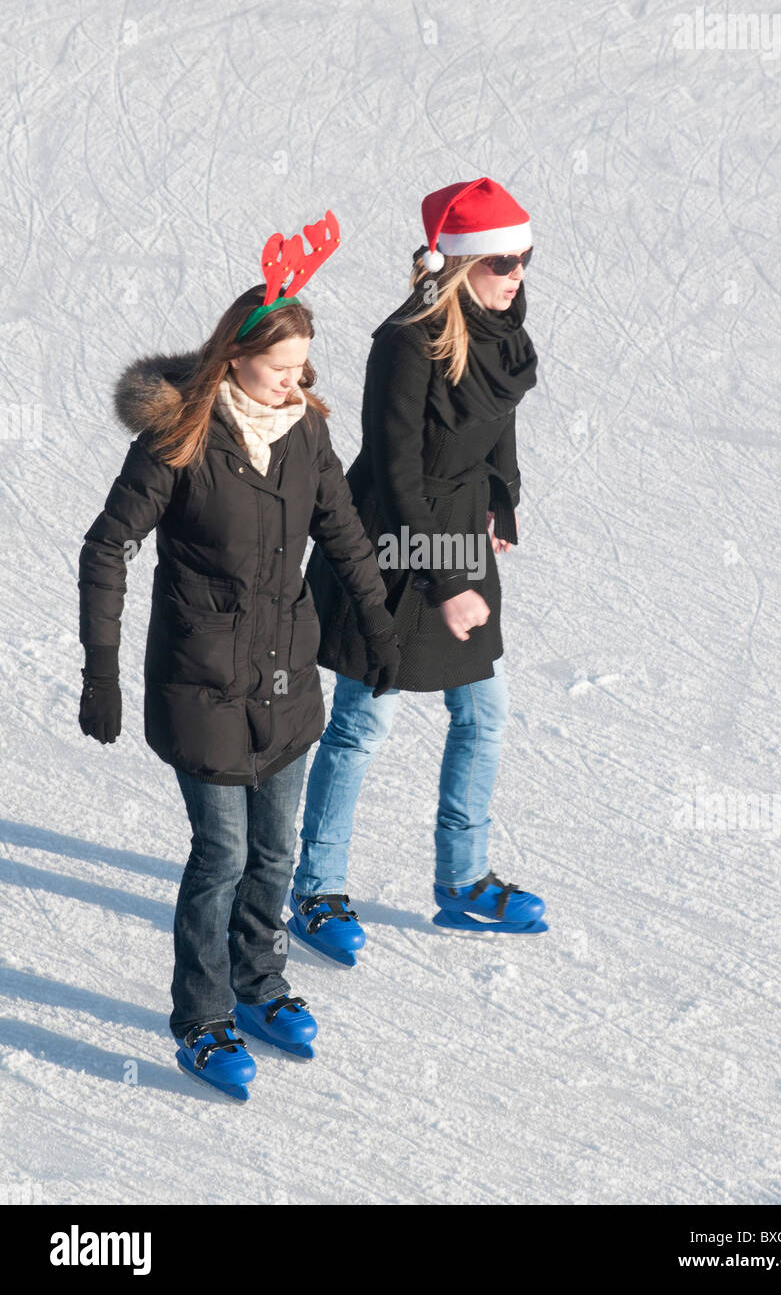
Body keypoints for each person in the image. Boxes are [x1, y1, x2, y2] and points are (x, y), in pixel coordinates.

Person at [77, 214, 399, 1099]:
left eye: (306, 371)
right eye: (283, 370)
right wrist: (99, 669)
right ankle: (203, 1018)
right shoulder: (178, 440)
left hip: (285, 673)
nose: (299, 386)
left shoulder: (306, 431)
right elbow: (106, 549)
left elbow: (341, 531)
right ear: (236, 358)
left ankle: (259, 986)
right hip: (201, 680)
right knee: (219, 853)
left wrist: (375, 626)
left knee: (276, 851)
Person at [292, 177, 548, 965]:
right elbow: (395, 473)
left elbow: (497, 421)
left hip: (459, 532)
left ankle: (463, 885)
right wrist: (446, 583)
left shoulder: (501, 328)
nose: (516, 276)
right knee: (364, 722)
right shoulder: (405, 341)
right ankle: (316, 891)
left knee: (484, 714)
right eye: (502, 262)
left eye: (525, 259)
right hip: (398, 543)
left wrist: (501, 501)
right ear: (458, 263)